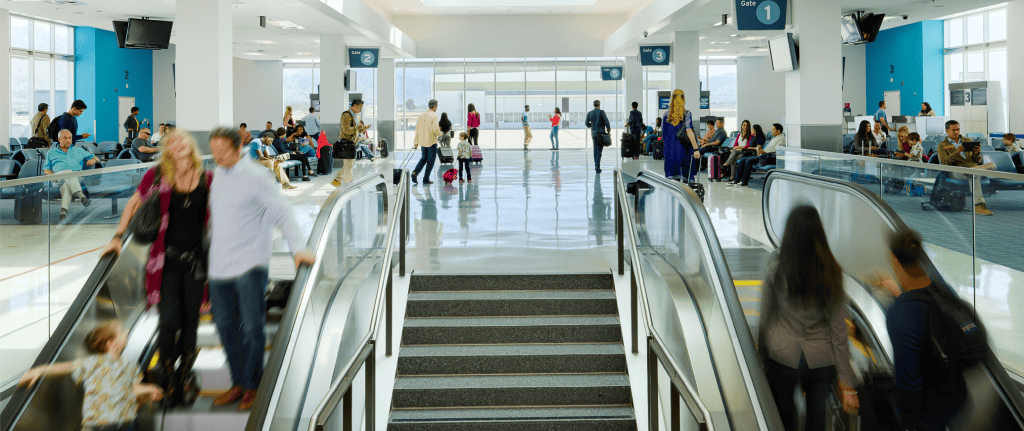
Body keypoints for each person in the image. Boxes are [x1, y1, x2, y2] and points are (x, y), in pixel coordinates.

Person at [206, 127, 315, 410]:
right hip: (220, 267)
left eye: (220, 152)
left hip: (250, 263)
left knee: (252, 327)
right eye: (213, 151)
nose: (215, 157)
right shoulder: (218, 175)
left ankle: (254, 385)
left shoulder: (256, 177)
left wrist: (298, 247)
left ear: (236, 148)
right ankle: (239, 382)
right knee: (226, 327)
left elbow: (282, 211)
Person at [103, 130, 211, 407]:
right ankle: (166, 375)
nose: (178, 143)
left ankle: (183, 378)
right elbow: (134, 203)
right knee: (169, 321)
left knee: (190, 324)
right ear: (167, 149)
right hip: (165, 263)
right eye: (171, 141)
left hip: (199, 264)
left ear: (190, 145)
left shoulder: (208, 178)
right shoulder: (157, 175)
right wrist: (117, 237)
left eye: (182, 139)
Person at [759, 205, 858, 431]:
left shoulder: (777, 268)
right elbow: (838, 330)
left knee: (784, 415)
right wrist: (847, 381)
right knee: (817, 416)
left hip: (782, 354)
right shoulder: (832, 270)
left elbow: (766, 315)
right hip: (821, 358)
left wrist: (762, 355)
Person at [879, 229, 966, 430]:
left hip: (928, 411)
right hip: (957, 396)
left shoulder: (900, 315)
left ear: (894, 259)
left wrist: (909, 423)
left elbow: (909, 382)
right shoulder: (942, 290)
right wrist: (898, 292)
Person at [18, 321, 163, 430]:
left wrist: (149, 394)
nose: (126, 331)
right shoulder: (94, 363)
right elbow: (66, 367)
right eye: (121, 331)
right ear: (110, 343)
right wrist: (40, 370)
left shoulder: (130, 366)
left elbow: (133, 390)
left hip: (124, 423)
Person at [938, 120, 996, 216]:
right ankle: (978, 205)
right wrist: (956, 153)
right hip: (957, 171)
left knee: (992, 165)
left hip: (972, 168)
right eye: (953, 130)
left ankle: (972, 172)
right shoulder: (942, 145)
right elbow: (944, 162)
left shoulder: (968, 141)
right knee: (975, 174)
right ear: (947, 131)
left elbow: (977, 160)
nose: (956, 132)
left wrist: (977, 153)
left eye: (958, 129)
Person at [43, 129, 101, 223]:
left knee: (67, 184)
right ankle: (81, 196)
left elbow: (96, 158)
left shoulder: (79, 150)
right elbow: (46, 169)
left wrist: (93, 160)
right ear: (59, 139)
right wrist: (53, 175)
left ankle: (63, 213)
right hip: (58, 178)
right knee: (68, 173)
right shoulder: (51, 152)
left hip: (77, 179)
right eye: (65, 138)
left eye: (70, 138)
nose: (68, 140)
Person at [661, 90, 700, 182]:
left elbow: (664, 133)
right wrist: (696, 149)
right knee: (686, 179)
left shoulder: (665, 115)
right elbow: (689, 130)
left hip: (669, 152)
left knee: (673, 181)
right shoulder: (686, 114)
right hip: (683, 151)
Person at [331, 99, 369, 187]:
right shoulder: (346, 115)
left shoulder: (355, 116)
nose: (360, 110)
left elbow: (356, 130)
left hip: (353, 142)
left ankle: (337, 180)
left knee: (349, 163)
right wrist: (357, 127)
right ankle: (348, 184)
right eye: (360, 108)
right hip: (347, 142)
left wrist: (363, 128)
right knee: (349, 164)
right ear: (354, 106)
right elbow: (347, 130)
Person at [410, 99, 443, 184]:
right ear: (435, 106)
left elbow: (417, 129)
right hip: (431, 141)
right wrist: (440, 134)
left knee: (424, 158)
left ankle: (415, 172)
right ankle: (426, 178)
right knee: (430, 160)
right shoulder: (434, 116)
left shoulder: (421, 115)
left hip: (422, 141)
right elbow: (435, 129)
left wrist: (416, 142)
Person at [585, 100, 611, 174]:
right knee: (599, 150)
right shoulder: (602, 112)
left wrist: (591, 126)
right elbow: (606, 121)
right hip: (601, 134)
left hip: (593, 134)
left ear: (594, 105)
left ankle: (596, 165)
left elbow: (586, 123)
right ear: (599, 105)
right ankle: (597, 167)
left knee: (595, 150)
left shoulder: (589, 113)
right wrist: (608, 130)